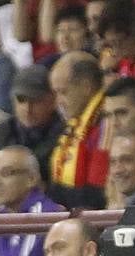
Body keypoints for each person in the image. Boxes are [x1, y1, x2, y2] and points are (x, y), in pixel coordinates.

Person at [47, 51, 107, 209]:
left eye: (63, 92)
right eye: (55, 93)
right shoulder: (71, 124)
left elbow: (97, 192)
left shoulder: (107, 120)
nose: (58, 101)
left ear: (86, 87)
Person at [0, 67, 64, 183]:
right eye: (21, 100)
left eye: (35, 101)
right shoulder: (3, 131)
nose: (27, 108)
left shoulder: (64, 133)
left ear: (52, 101)